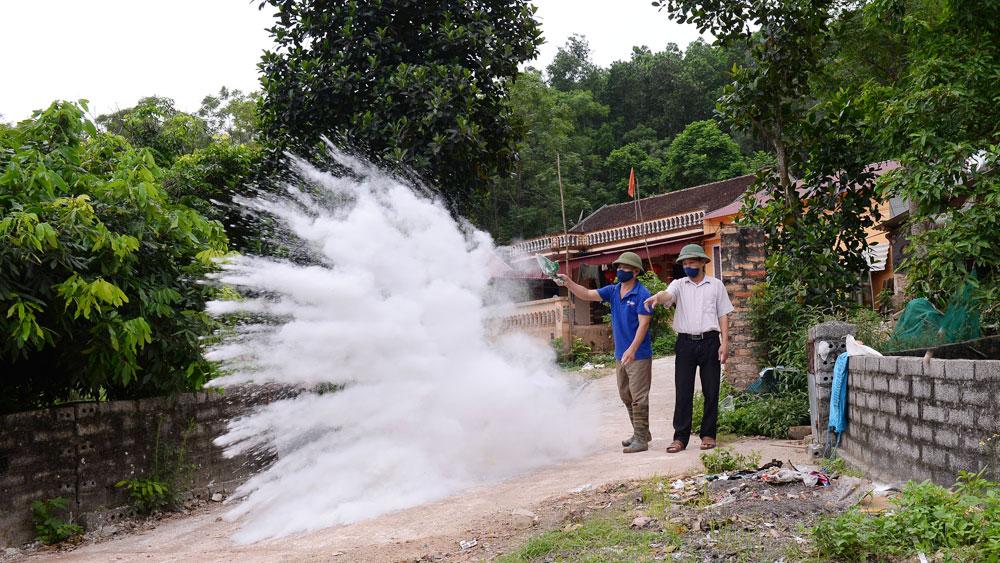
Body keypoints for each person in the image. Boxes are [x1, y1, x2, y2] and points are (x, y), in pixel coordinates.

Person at [558, 252, 654, 453]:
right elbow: (586, 294)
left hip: (638, 354)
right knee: (625, 395)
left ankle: (641, 440)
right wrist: (568, 283)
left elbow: (644, 324)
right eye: (619, 267)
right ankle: (641, 432)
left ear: (636, 272)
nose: (620, 271)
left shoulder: (642, 294)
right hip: (621, 354)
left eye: (625, 268)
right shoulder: (613, 290)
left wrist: (632, 349)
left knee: (638, 396)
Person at [644, 244, 733, 453]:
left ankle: (708, 434)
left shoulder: (716, 285)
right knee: (683, 390)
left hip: (710, 341)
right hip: (685, 343)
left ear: (703, 262)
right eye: (685, 263)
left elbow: (723, 315)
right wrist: (658, 297)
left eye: (692, 262)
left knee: (711, 390)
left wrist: (725, 342)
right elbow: (668, 295)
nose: (688, 266)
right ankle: (680, 438)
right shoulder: (679, 284)